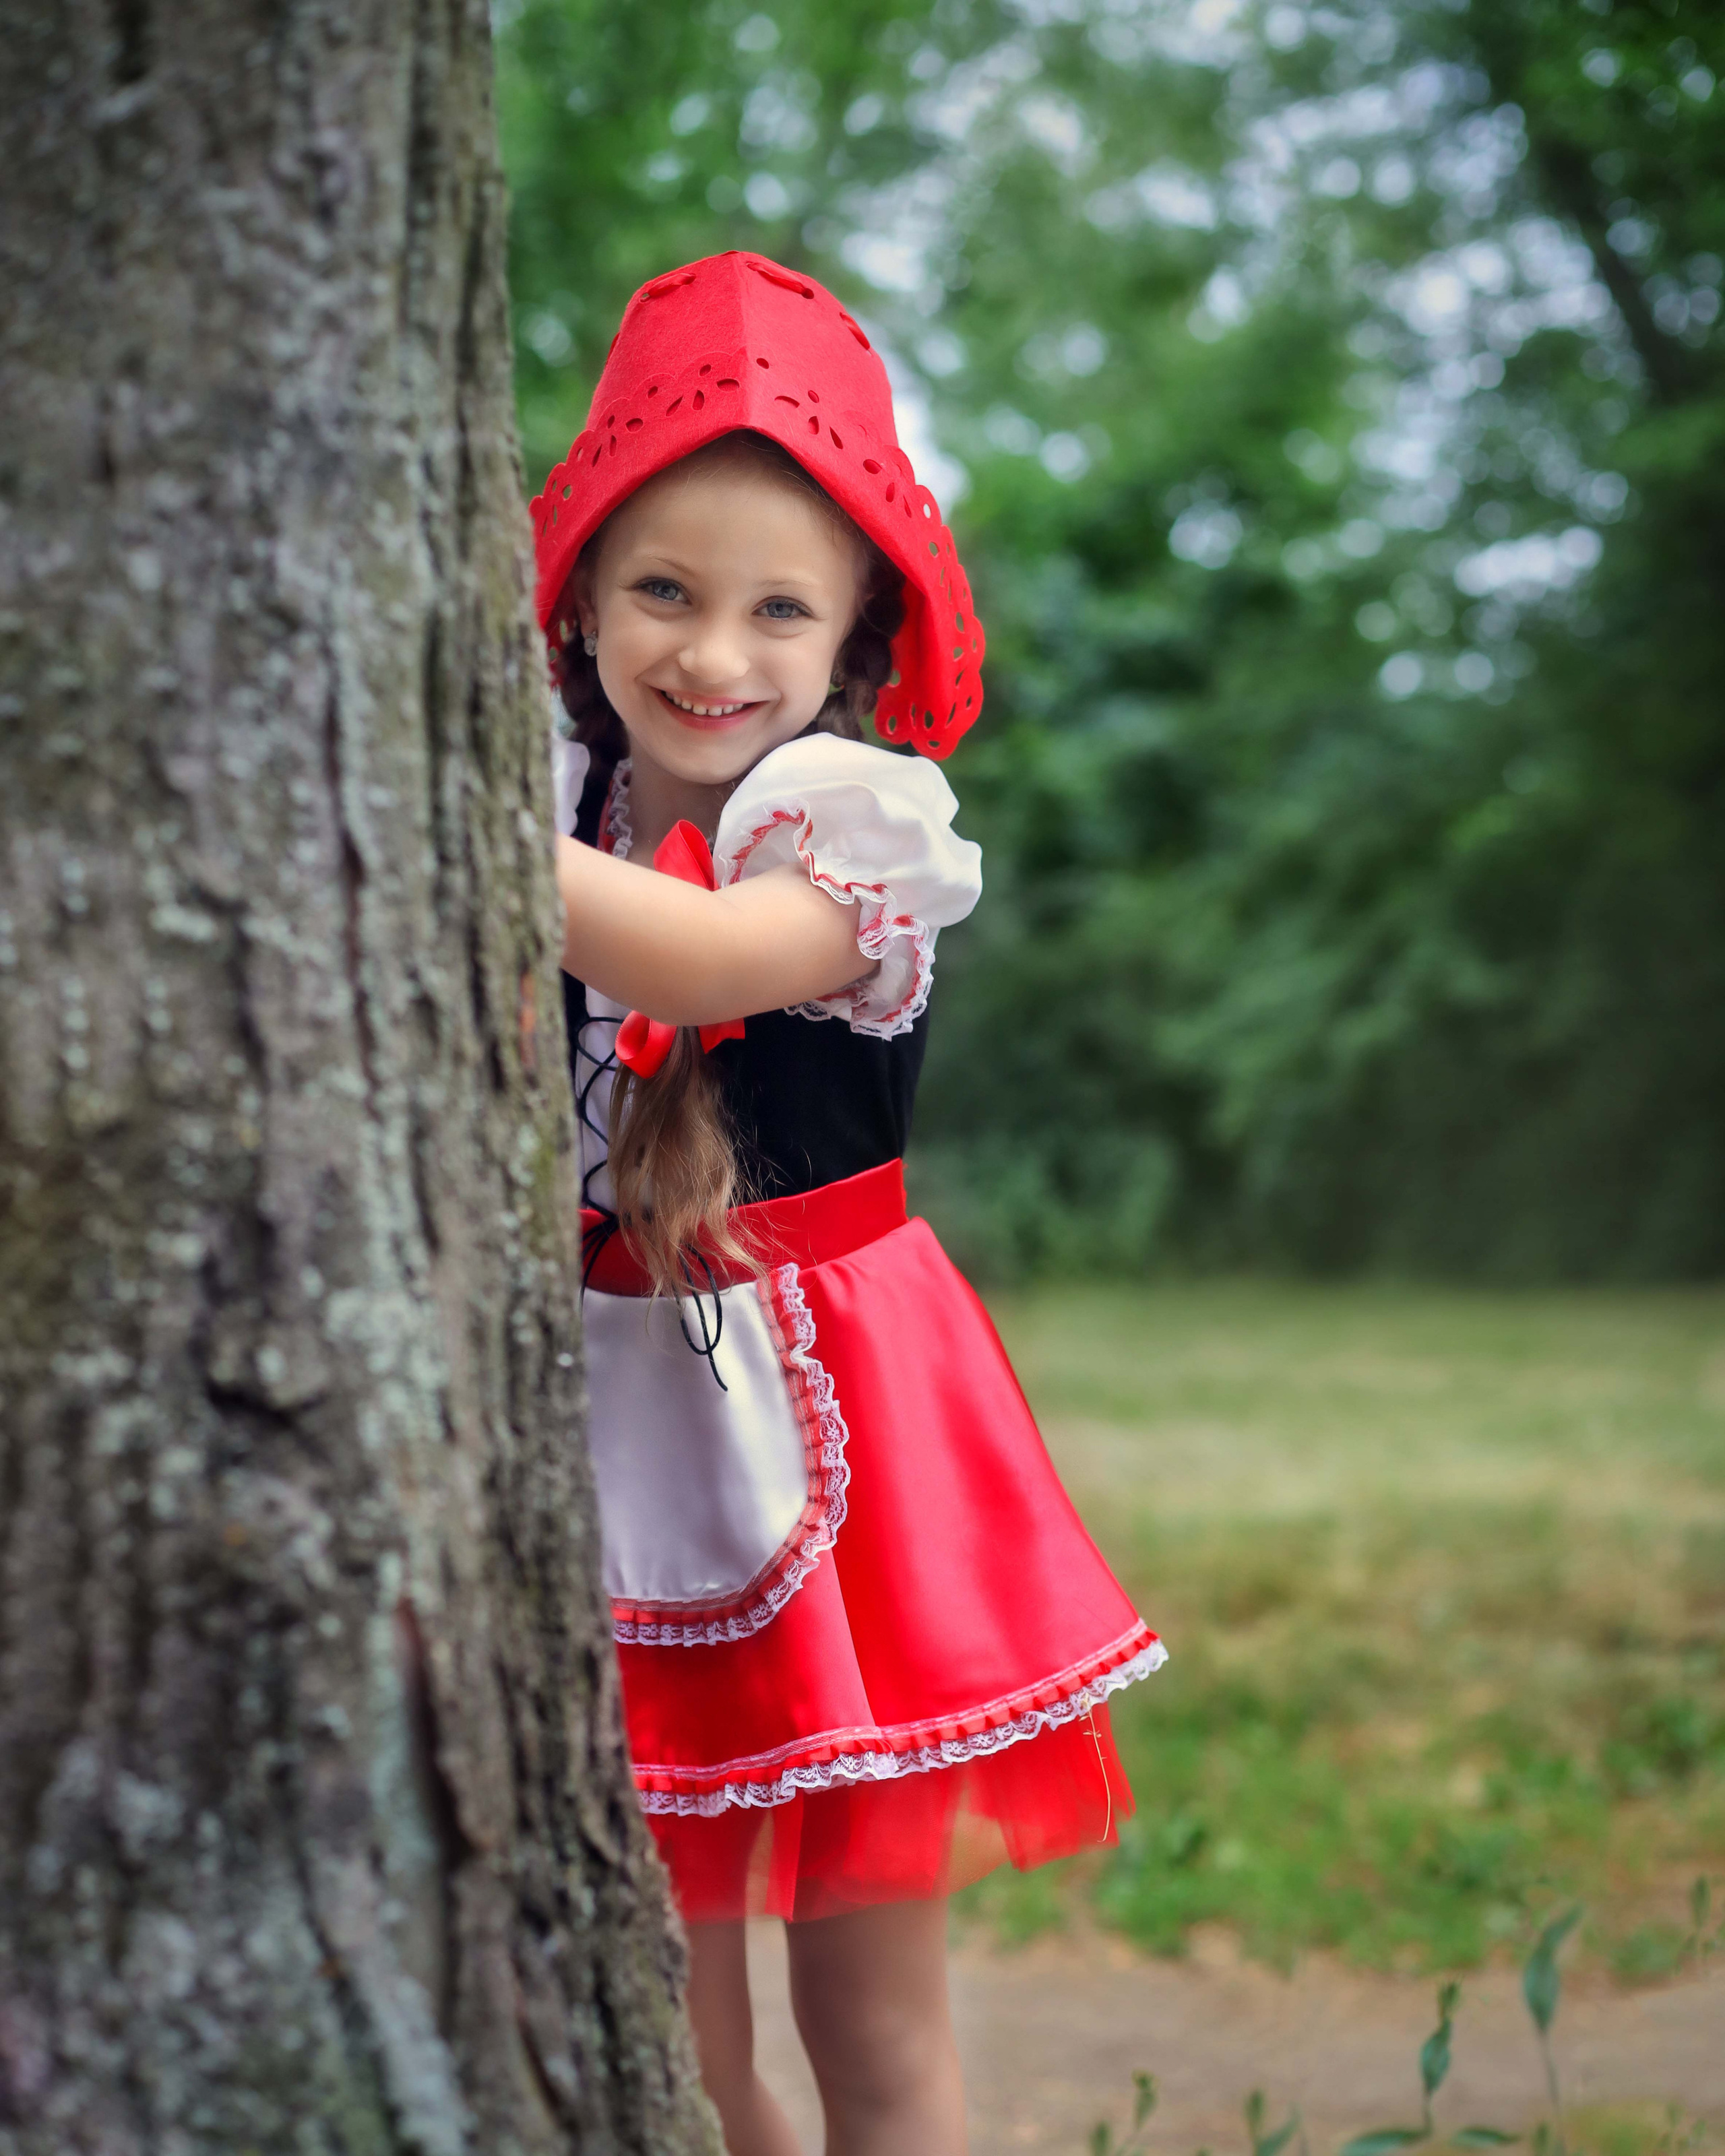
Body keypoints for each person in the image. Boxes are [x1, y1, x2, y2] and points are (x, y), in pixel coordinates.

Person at [540, 251, 1164, 2156]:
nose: (712, 654)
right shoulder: (568, 796)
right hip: (590, 1401)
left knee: (871, 2021)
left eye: (775, 609)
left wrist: (433, 814)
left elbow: (720, 961)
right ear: (577, 596)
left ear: (854, 638)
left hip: (829, 1423)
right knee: (657, 2002)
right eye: (663, 588)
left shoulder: (856, 823)